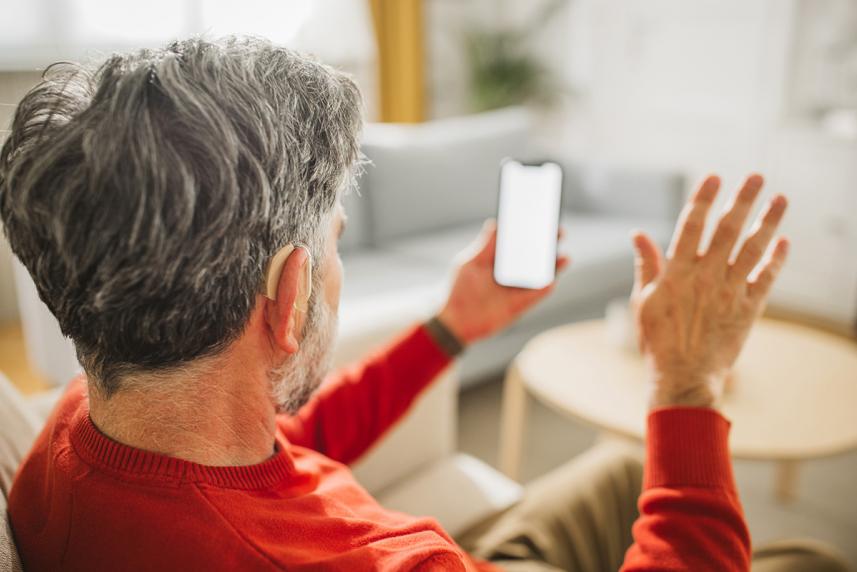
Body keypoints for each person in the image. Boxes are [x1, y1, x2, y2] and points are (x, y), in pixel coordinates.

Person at [0, 37, 849, 572]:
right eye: (333, 243)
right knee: (803, 554)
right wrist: (686, 384)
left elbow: (285, 446)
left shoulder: (86, 424)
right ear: (290, 295)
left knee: (627, 469)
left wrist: (453, 327)